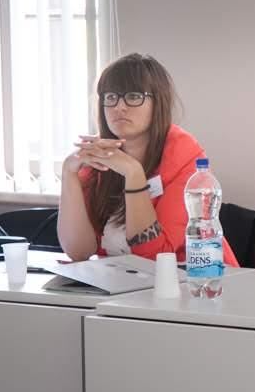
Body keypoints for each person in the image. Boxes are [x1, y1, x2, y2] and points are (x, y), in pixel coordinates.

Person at [57, 53, 238, 267]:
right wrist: (69, 173)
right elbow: (79, 252)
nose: (119, 107)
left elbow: (156, 257)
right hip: (123, 281)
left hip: (199, 279)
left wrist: (133, 173)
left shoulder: (184, 155)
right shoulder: (97, 156)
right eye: (111, 97)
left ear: (158, 102)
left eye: (134, 96)